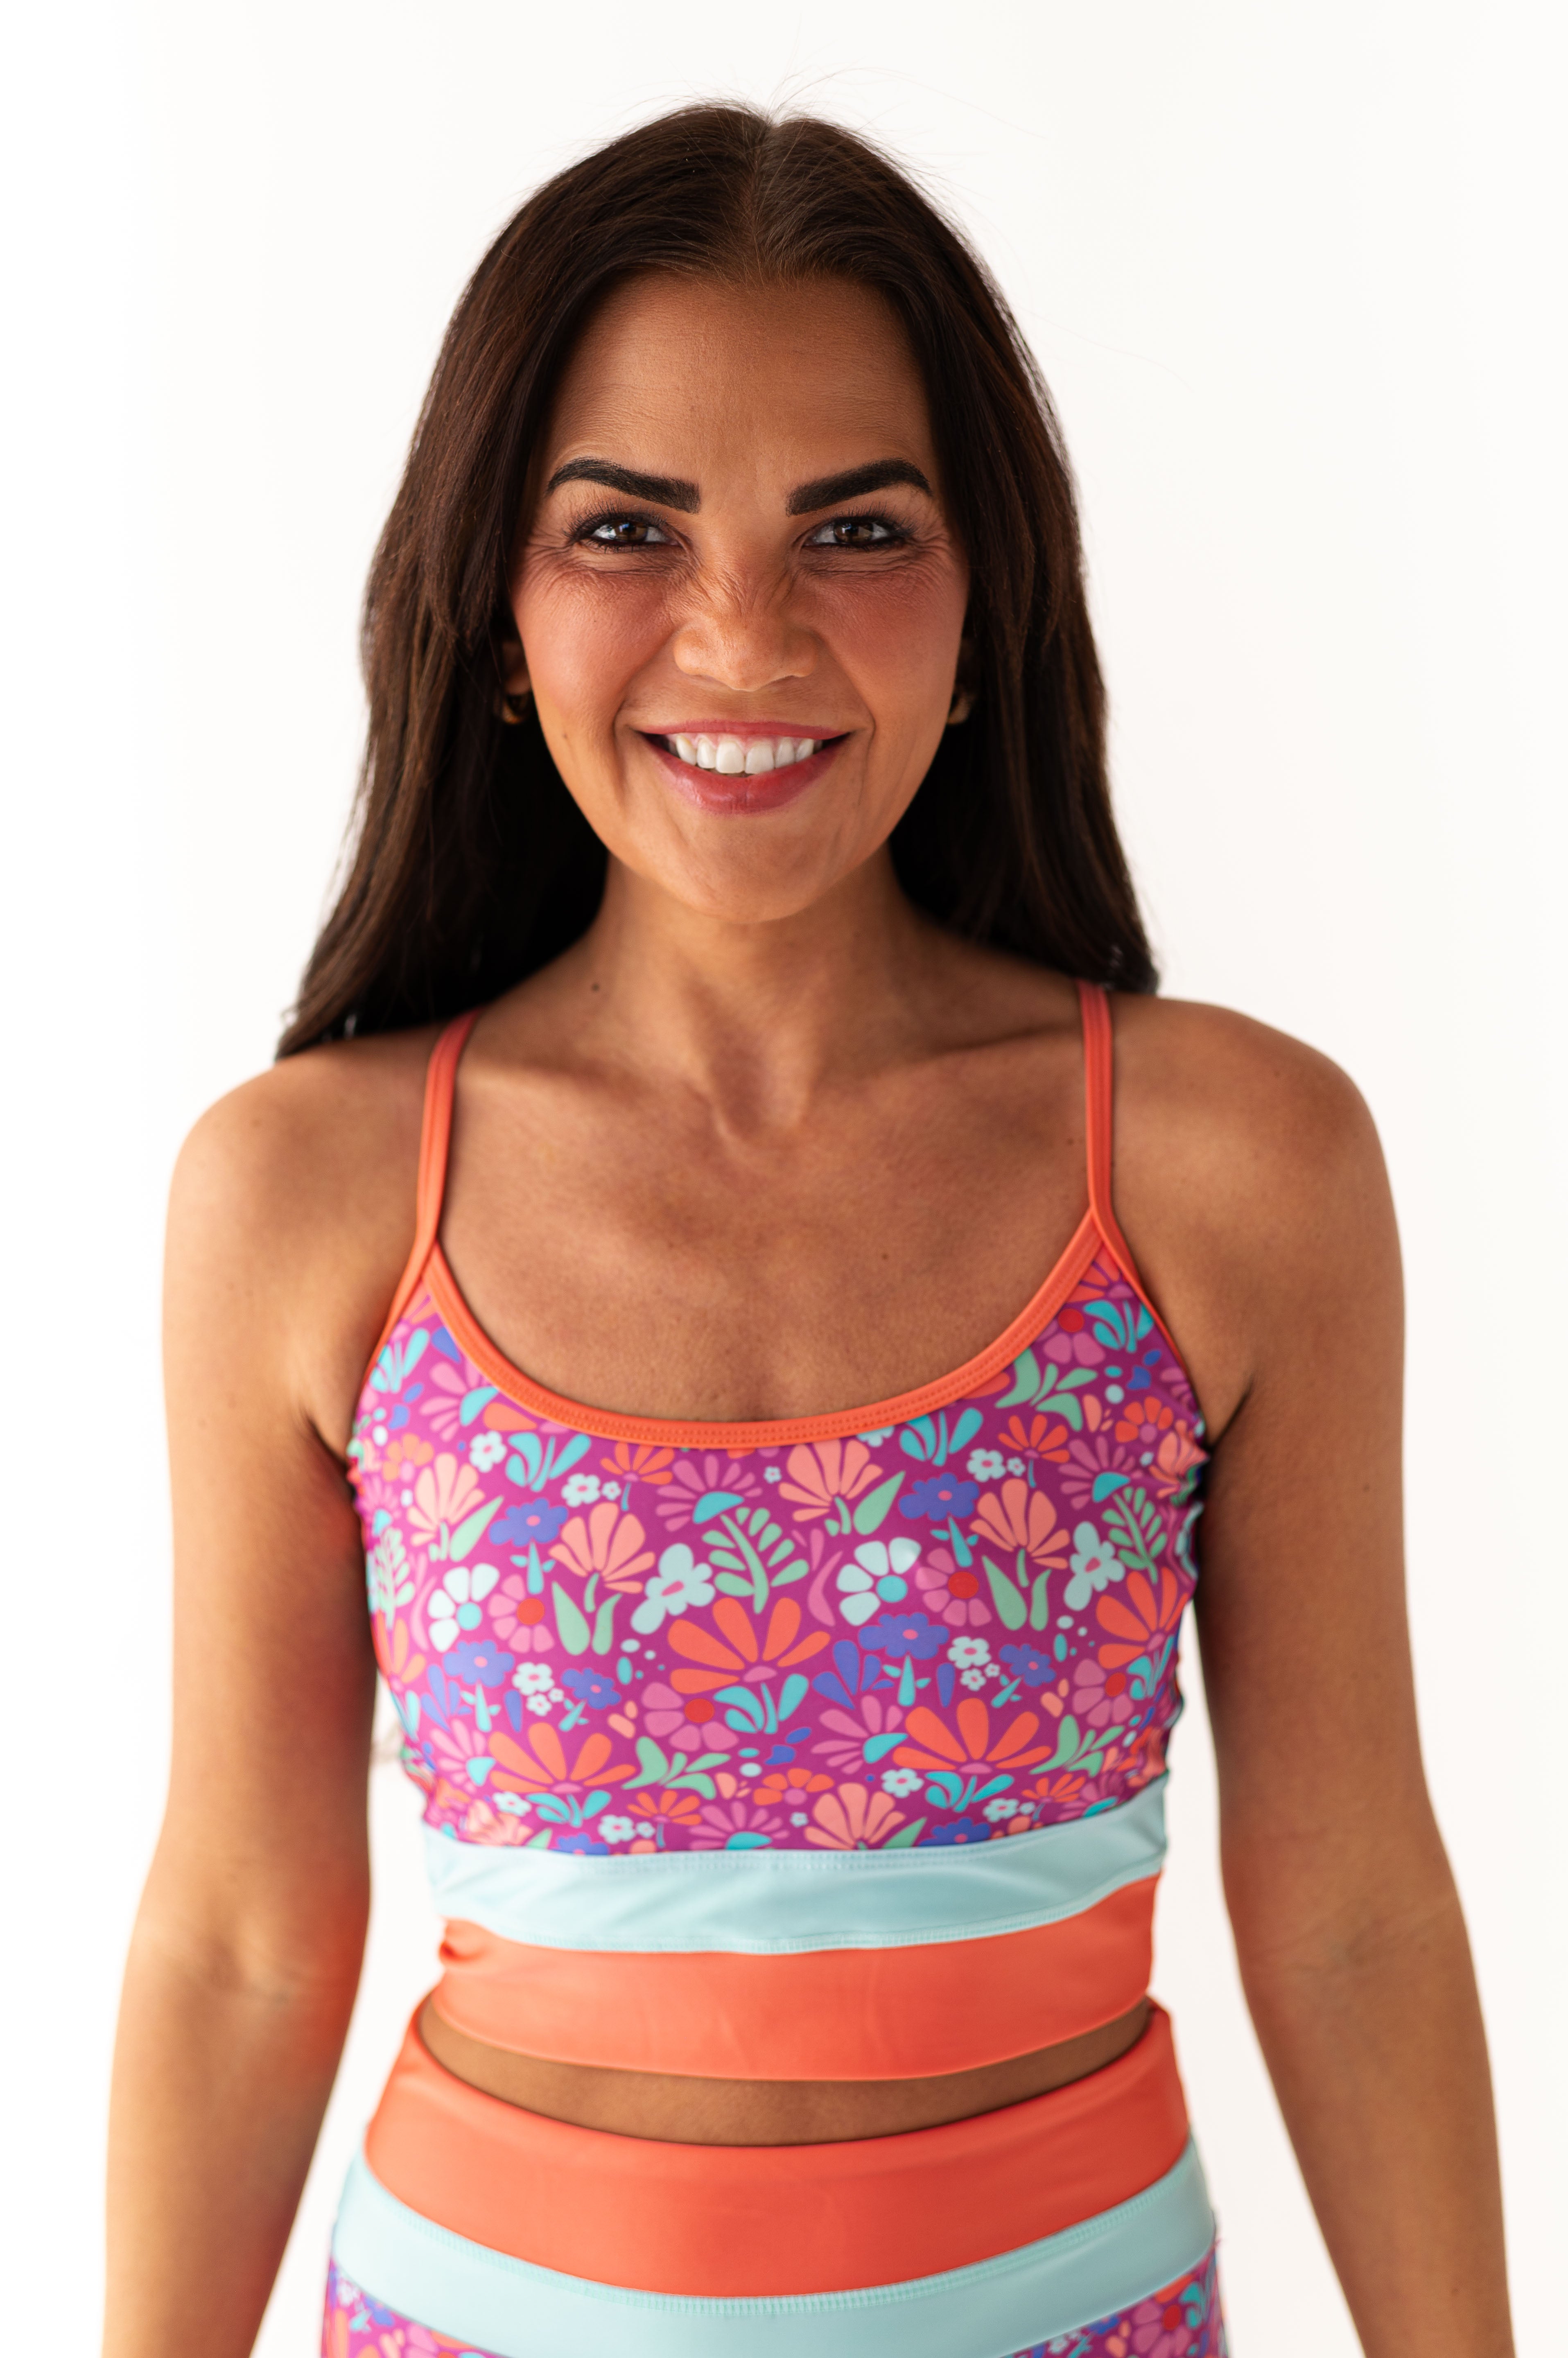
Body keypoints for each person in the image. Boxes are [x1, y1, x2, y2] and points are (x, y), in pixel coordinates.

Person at [104, 104, 1513, 2358]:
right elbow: (242, 1944)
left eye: (853, 529)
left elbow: (1351, 1915)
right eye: (624, 530)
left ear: (983, 605)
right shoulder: (309, 1195)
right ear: (499, 615)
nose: (742, 635)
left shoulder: (1231, 1169)